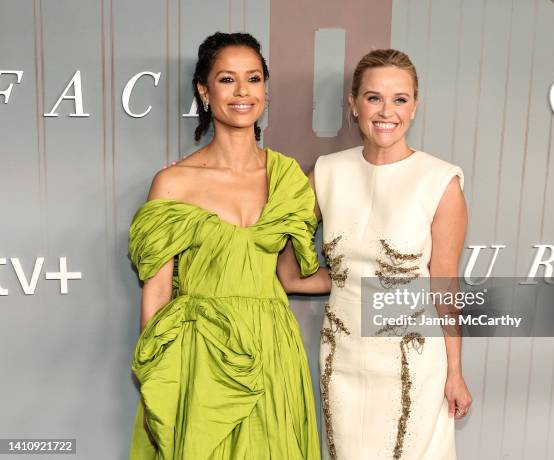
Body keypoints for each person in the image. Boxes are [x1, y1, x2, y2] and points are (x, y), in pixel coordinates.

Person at [127, 32, 326, 460]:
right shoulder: (174, 183)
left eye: (253, 79)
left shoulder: (288, 177)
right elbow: (158, 293)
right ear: (204, 90)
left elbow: (290, 275)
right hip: (202, 354)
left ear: (265, 90)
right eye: (227, 79)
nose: (242, 92)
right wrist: (156, 377)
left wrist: (377, 277)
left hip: (273, 350)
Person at [279, 48, 472, 459]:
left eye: (400, 99)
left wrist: (454, 372)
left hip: (413, 359)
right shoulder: (326, 172)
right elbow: (291, 275)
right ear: (353, 103)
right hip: (343, 356)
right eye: (374, 98)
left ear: (415, 106)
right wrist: (351, 284)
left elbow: (445, 286)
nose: (387, 111)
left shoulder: (440, 181)